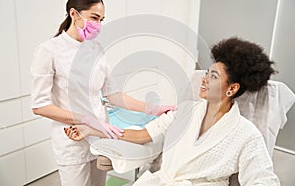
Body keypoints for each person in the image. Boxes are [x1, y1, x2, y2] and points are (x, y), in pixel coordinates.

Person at [65, 37, 281, 185]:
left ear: (232, 89)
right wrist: (92, 131)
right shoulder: (186, 111)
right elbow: (141, 135)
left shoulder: (246, 134)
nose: (204, 80)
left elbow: (263, 179)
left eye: (213, 77)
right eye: (207, 73)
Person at [31, 0, 176, 186]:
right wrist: (86, 119)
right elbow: (40, 106)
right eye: (94, 18)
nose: (98, 25)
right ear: (74, 14)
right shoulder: (49, 51)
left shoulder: (96, 49)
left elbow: (114, 94)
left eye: (101, 19)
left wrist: (154, 109)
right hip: (71, 139)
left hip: (100, 135)